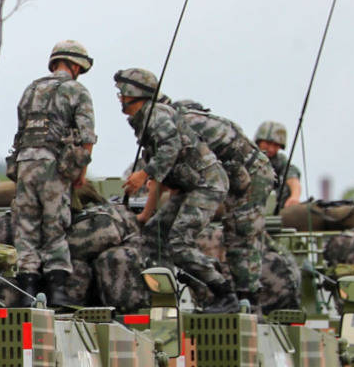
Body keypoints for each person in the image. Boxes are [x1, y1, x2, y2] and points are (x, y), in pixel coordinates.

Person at [115, 68, 234, 310]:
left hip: (207, 184)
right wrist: (146, 214)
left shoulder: (156, 115)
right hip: (190, 188)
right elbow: (161, 172)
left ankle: (224, 292)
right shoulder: (145, 120)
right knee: (154, 233)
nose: (119, 98)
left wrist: (143, 174)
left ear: (133, 93)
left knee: (179, 242)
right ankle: (165, 297)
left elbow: (171, 147)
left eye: (122, 93)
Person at [7, 40, 97, 308]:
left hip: (25, 164)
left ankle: (27, 290)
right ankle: (57, 291)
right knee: (55, 225)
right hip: (55, 166)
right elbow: (87, 137)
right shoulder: (77, 90)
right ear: (75, 66)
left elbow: (20, 131)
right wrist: (80, 171)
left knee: (26, 227)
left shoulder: (30, 89)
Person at [177, 101, 275, 312]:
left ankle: (246, 299)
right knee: (235, 234)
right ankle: (237, 298)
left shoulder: (194, 128)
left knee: (242, 233)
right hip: (232, 179)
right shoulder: (203, 131)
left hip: (248, 177)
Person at [255, 121, 304, 209]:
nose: (271, 149)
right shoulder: (246, 155)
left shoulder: (279, 160)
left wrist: (294, 196)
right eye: (268, 143)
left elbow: (291, 176)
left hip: (269, 205)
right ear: (259, 141)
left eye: (276, 145)